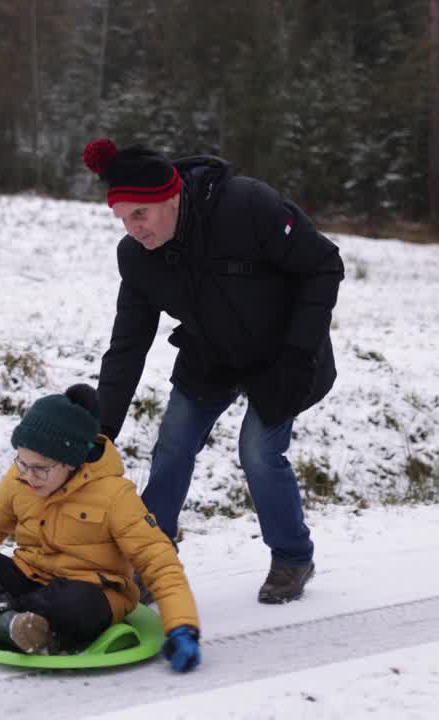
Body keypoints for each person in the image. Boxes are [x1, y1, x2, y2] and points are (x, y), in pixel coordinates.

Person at [81, 138, 345, 604]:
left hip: (283, 354)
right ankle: (151, 557)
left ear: (172, 196)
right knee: (173, 446)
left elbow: (323, 265)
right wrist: (102, 426)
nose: (132, 229)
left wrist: (298, 357)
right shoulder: (137, 257)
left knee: (259, 452)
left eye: (139, 215)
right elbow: (127, 345)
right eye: (122, 218)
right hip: (211, 353)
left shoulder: (247, 206)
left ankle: (292, 556)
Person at [0, 385, 203, 673]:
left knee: (75, 603)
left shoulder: (115, 496)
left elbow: (159, 562)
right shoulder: (23, 477)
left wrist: (182, 626)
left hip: (87, 592)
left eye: (40, 468)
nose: (28, 476)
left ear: (72, 462)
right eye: (22, 463)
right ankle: (8, 622)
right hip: (29, 578)